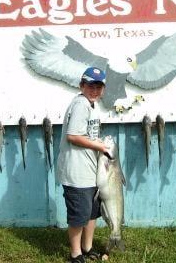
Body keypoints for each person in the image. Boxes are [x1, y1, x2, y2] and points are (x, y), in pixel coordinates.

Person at [57, 66, 110, 263]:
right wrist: (99, 145)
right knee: (79, 214)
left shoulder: (92, 105)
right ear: (81, 85)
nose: (94, 90)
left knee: (91, 211)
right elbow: (73, 136)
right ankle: (75, 254)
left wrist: (99, 145)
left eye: (98, 86)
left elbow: (87, 134)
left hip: (89, 170)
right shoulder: (81, 104)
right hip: (76, 171)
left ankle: (87, 247)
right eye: (90, 85)